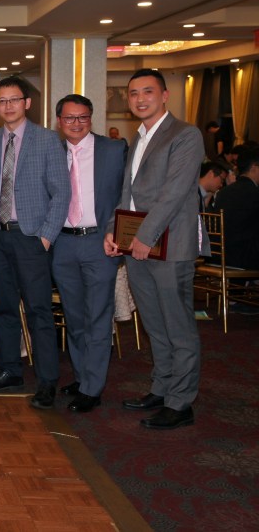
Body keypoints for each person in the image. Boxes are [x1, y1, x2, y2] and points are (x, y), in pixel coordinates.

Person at [104, 68, 206, 430]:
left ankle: (181, 402)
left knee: (178, 326)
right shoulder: (139, 137)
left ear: (164, 95)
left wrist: (145, 237)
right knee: (154, 324)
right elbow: (128, 193)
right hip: (137, 246)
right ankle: (162, 389)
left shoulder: (185, 134)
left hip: (169, 245)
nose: (140, 99)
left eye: (148, 91)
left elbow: (174, 193)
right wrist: (113, 231)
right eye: (133, 93)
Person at [0, 76, 70, 410]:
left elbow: (61, 193)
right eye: (2, 101)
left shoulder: (47, 140)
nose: (8, 106)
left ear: (27, 103)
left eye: (14, 99)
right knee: (4, 308)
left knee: (38, 311)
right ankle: (10, 370)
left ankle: (47, 381)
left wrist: (46, 237)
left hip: (31, 237)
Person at [50, 95, 126, 414]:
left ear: (91, 118)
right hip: (63, 243)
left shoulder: (113, 149)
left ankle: (93, 388)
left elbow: (125, 195)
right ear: (59, 121)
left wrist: (116, 231)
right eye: (69, 118)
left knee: (97, 316)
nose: (76, 123)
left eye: (82, 117)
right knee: (75, 316)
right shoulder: (52, 151)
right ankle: (83, 377)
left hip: (99, 242)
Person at [212, 147, 259, 270]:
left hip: (217, 255)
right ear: (254, 167)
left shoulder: (223, 192)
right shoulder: (254, 193)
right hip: (242, 260)